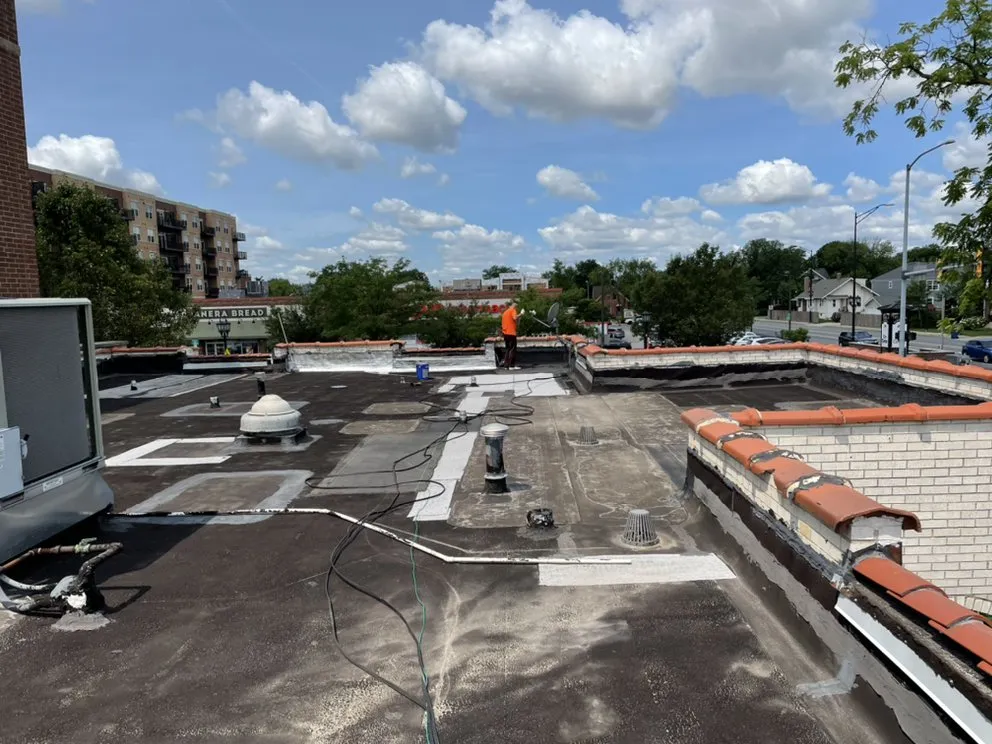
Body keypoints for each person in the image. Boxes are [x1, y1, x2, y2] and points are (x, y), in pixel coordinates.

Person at [501, 300, 529, 369]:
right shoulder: (512, 310)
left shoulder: (505, 312)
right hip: (511, 333)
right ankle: (511, 365)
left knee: (508, 349)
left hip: (505, 333)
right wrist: (521, 314)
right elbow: (515, 317)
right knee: (512, 349)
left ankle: (506, 365)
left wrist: (519, 317)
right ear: (512, 305)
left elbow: (515, 322)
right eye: (515, 305)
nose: (516, 306)